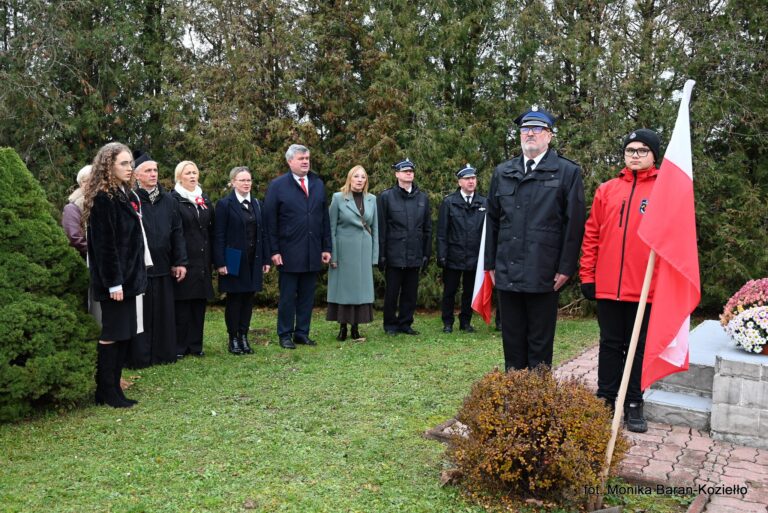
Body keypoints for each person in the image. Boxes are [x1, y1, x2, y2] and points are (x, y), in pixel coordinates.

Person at [485, 107, 586, 371]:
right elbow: (492, 221)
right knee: (512, 340)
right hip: (507, 268)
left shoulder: (566, 172)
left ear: (549, 136)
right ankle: (514, 390)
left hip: (544, 270)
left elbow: (574, 224)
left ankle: (538, 392)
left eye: (537, 129)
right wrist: (490, 264)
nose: (530, 133)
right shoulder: (503, 171)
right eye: (525, 129)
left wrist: (566, 267)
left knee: (540, 343)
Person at [579, 128, 662, 434]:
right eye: (630, 150)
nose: (635, 155)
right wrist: (587, 274)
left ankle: (634, 402)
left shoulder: (664, 191)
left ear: (654, 155)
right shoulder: (607, 189)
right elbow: (592, 234)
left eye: (642, 150)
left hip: (645, 288)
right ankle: (606, 398)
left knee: (638, 347)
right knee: (610, 343)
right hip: (608, 285)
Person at [83, 142, 147, 408]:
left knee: (125, 333)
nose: (129, 167)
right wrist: (114, 283)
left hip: (128, 278)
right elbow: (104, 246)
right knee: (113, 332)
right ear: (108, 166)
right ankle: (106, 390)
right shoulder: (103, 198)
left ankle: (113, 388)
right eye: (123, 163)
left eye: (130, 163)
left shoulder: (123, 194)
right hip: (115, 281)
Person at [264, 145, 331, 349]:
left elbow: (324, 218)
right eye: (301, 158)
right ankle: (285, 334)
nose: (305, 162)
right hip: (288, 252)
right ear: (290, 161)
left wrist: (326, 247)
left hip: (312, 250)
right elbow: (270, 221)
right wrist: (274, 250)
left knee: (307, 296)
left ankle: (302, 333)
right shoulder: (277, 186)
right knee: (287, 297)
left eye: (307, 158)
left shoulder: (317, 183)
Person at [127, 152, 188, 368]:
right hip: (139, 268)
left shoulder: (169, 200)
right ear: (136, 175)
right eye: (148, 171)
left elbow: (177, 232)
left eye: (155, 170)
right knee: (141, 314)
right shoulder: (130, 199)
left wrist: (180, 261)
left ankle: (163, 353)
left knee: (163, 312)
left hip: (163, 266)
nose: (153, 174)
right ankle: (141, 356)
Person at [214, 166, 271, 354]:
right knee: (235, 299)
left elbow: (263, 234)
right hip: (233, 259)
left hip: (254, 260)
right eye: (242, 180)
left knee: (248, 299)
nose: (246, 183)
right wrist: (220, 262)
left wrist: (266, 259)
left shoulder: (257, 204)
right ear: (233, 183)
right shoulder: (224, 204)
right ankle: (233, 338)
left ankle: (244, 336)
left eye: (248, 180)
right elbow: (219, 235)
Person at [377, 158, 432, 336]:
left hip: (415, 252)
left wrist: (426, 253)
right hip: (394, 253)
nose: (409, 173)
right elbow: (381, 228)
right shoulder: (386, 197)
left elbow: (427, 229)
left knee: (410, 293)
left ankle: (405, 323)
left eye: (411, 171)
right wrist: (381, 254)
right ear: (397, 174)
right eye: (405, 171)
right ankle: (390, 324)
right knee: (392, 292)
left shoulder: (422, 198)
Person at [326, 165, 378, 341]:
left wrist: (374, 256)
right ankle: (343, 327)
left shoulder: (372, 199)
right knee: (344, 290)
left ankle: (356, 327)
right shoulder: (338, 198)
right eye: (356, 176)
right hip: (343, 252)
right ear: (350, 178)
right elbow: (331, 229)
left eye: (363, 177)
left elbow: (375, 229)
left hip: (364, 251)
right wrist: (333, 255)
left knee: (360, 290)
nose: (359, 180)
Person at [437, 164, 487, 333]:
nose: (471, 181)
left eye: (473, 178)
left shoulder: (484, 202)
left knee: (469, 291)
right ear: (459, 182)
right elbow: (442, 232)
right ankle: (447, 322)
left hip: (475, 256)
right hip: (454, 255)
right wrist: (442, 255)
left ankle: (465, 321)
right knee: (449, 291)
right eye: (467, 179)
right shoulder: (449, 202)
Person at [171, 160, 214, 358]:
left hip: (203, 259)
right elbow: (174, 232)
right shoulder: (174, 199)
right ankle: (180, 346)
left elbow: (210, 228)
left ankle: (196, 345)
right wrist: (178, 260)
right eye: (187, 173)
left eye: (194, 172)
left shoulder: (203, 198)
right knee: (183, 305)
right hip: (184, 259)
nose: (192, 176)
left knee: (198, 304)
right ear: (179, 177)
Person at [62, 165, 93, 259]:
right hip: (88, 259)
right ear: (82, 183)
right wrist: (98, 253)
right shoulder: (72, 208)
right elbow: (75, 238)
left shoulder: (105, 202)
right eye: (88, 180)